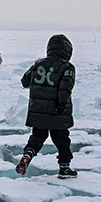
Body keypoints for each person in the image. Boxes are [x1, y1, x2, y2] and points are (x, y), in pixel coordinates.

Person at [16, 34, 76, 178]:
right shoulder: (67, 67)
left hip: (38, 110)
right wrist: (61, 105)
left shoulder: (38, 63)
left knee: (37, 137)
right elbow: (65, 89)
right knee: (62, 139)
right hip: (57, 111)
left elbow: (25, 81)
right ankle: (65, 168)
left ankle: (27, 155)